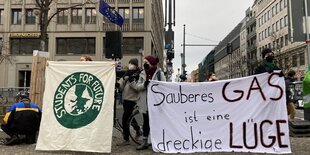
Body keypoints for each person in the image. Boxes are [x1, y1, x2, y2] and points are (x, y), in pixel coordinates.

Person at [130, 55, 166, 150]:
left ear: (152, 63)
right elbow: (137, 87)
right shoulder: (142, 73)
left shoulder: (159, 74)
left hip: (156, 103)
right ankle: (145, 142)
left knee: (156, 122)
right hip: (145, 102)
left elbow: (164, 87)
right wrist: (144, 85)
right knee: (146, 122)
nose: (145, 63)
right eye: (144, 62)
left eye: (147, 62)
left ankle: (158, 142)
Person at [116, 58, 142, 146]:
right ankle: (138, 129)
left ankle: (126, 139)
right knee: (130, 117)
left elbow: (138, 87)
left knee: (124, 119)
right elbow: (121, 85)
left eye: (132, 64)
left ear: (136, 65)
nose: (130, 65)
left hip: (133, 99)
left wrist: (131, 82)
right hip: (125, 98)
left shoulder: (139, 74)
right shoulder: (126, 73)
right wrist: (118, 85)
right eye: (130, 63)